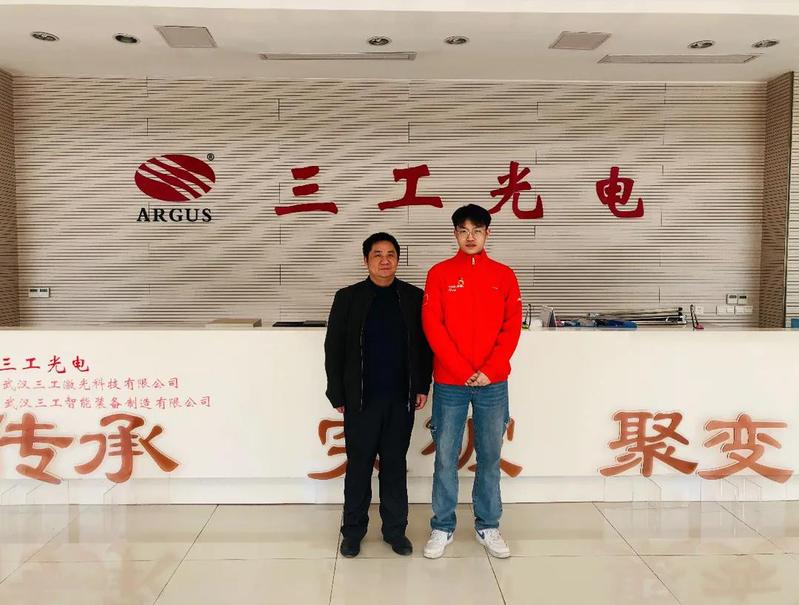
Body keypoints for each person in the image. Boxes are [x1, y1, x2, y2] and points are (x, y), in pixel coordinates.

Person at [421, 204, 522, 559]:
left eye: (477, 230)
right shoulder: (439, 274)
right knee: (445, 456)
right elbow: (433, 326)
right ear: (455, 234)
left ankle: (488, 525)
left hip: (493, 382)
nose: (470, 237)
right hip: (451, 381)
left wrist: (490, 369)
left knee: (490, 456)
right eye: (463, 231)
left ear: (487, 234)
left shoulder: (504, 276)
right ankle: (442, 526)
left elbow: (511, 327)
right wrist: (461, 368)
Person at [324, 232, 433, 558]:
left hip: (400, 399)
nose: (384, 260)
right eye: (377, 255)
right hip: (361, 400)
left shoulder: (413, 297)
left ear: (397, 260)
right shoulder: (348, 298)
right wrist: (336, 392)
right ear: (366, 260)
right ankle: (353, 532)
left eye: (390, 255)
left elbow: (424, 346)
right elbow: (333, 348)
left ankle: (395, 531)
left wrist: (421, 385)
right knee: (359, 467)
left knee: (394, 466)